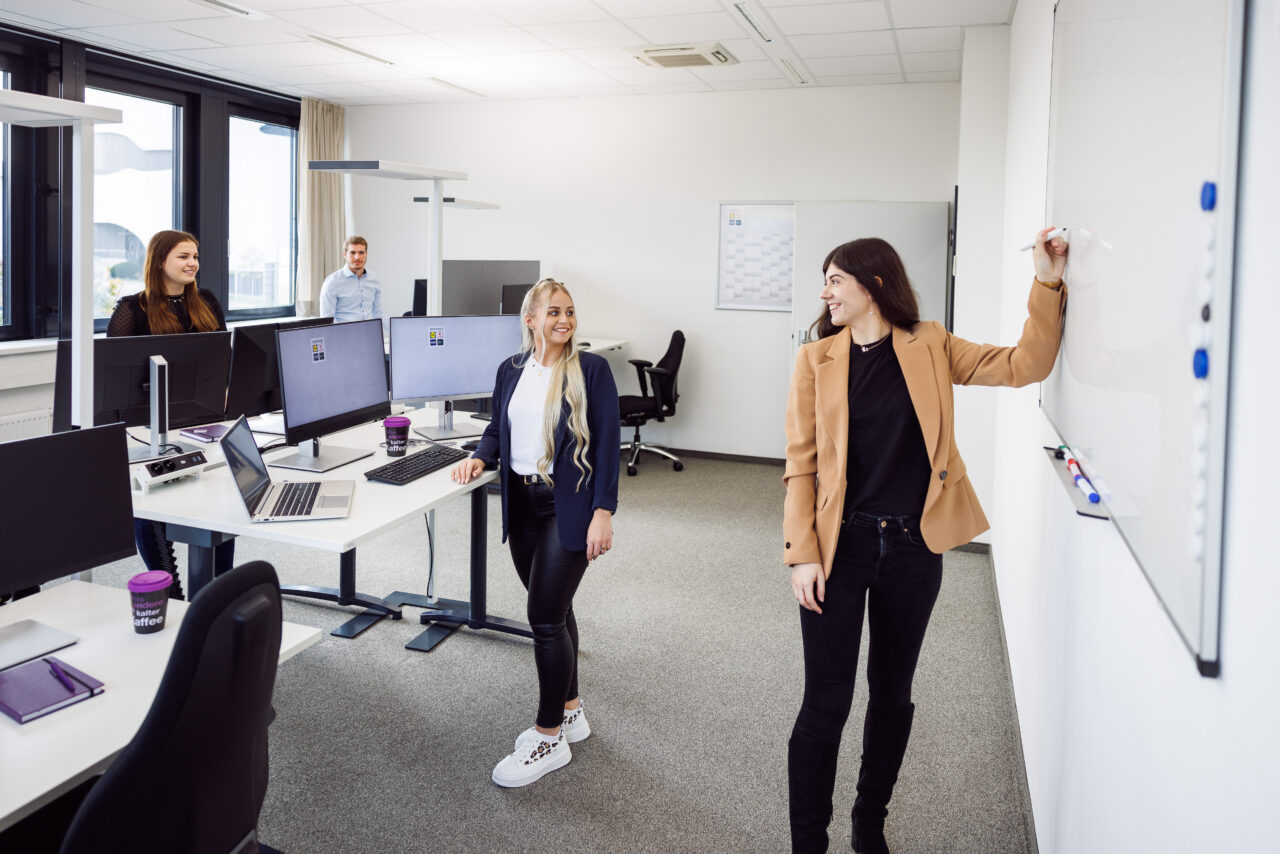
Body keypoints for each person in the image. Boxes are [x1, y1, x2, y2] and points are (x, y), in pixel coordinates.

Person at [783, 230, 1068, 854]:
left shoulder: (931, 344)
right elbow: (800, 465)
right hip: (841, 547)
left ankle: (869, 823)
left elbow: (1025, 364)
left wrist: (1048, 282)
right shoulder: (816, 360)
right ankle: (809, 843)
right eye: (825, 281)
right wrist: (801, 552)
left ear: (874, 284)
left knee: (892, 694)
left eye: (835, 279)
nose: (825, 292)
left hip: (914, 550)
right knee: (825, 703)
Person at [451, 277, 620, 789]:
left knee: (543, 618)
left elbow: (608, 444)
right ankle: (570, 710)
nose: (564, 320)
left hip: (565, 506)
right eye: (553, 312)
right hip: (520, 504)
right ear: (531, 320)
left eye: (569, 311)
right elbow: (497, 430)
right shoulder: (511, 369)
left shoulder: (591, 370)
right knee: (557, 608)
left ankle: (548, 737)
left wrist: (604, 512)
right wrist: (481, 457)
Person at [107, 229, 234, 594]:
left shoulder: (206, 301)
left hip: (203, 420)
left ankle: (218, 589)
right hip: (149, 426)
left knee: (220, 494)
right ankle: (171, 589)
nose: (192, 263)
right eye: (183, 256)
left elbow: (221, 362)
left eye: (195, 255)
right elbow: (113, 379)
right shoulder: (132, 310)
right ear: (160, 260)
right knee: (152, 504)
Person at [319, 236, 381, 322]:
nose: (357, 257)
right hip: (344, 333)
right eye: (352, 253)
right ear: (345, 255)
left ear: (366, 254)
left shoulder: (374, 278)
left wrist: (394, 330)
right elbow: (326, 320)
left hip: (370, 332)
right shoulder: (332, 282)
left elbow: (378, 312)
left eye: (361, 252)